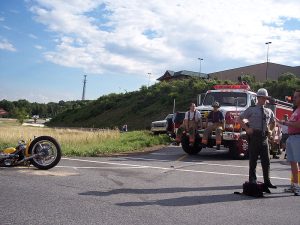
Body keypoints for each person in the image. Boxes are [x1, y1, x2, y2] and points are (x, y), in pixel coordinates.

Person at [238, 88, 277, 189]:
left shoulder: (269, 111)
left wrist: (271, 131)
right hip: (254, 136)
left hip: (264, 137)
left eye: (266, 98)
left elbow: (273, 122)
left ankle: (267, 181)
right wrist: (246, 129)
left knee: (266, 160)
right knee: (253, 160)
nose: (265, 100)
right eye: (263, 98)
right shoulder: (251, 109)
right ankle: (252, 180)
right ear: (258, 98)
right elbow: (239, 118)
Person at [278, 90, 300, 196]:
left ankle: (298, 186)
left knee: (298, 162)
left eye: (296, 97)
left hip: (297, 137)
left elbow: (298, 125)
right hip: (291, 138)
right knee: (292, 163)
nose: (294, 98)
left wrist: (286, 122)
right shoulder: (296, 110)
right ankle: (294, 185)